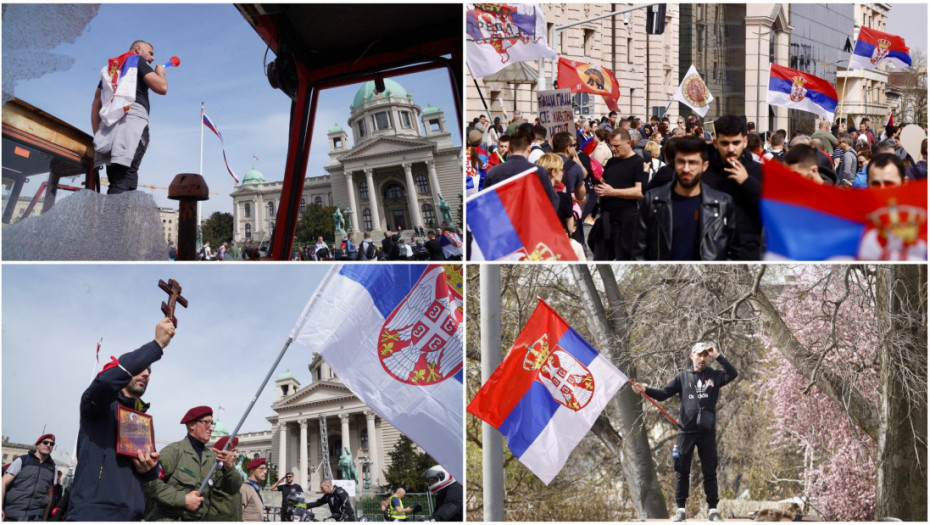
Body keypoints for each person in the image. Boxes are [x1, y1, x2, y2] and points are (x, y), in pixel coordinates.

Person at [66, 318, 175, 521]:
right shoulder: (97, 405)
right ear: (124, 370)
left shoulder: (142, 421)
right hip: (93, 513)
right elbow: (106, 381)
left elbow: (142, 476)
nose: (145, 373)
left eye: (150, 371)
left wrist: (149, 471)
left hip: (131, 515)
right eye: (141, 367)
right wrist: (156, 346)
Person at [630, 342, 739, 522]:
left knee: (710, 470)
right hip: (685, 432)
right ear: (692, 356)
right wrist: (645, 389)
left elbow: (733, 374)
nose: (702, 358)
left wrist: (717, 355)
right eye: (699, 355)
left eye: (705, 355)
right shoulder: (682, 377)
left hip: (707, 432)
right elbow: (664, 393)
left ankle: (713, 511)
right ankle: (680, 510)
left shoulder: (714, 375)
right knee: (682, 471)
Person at [633, 135, 736, 261]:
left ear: (705, 166)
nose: (686, 169)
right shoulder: (653, 201)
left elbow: (733, 251)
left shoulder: (722, 203)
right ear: (674, 163)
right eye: (681, 162)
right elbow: (639, 251)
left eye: (692, 163)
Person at [92, 40, 168, 194]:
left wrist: (98, 134)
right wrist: (160, 73)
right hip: (132, 124)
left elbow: (96, 103)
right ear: (138, 49)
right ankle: (112, 218)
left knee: (118, 179)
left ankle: (115, 216)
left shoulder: (111, 69)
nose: (152, 59)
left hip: (109, 129)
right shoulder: (136, 60)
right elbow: (162, 87)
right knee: (124, 180)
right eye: (151, 53)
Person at [143, 406, 242, 521]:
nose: (211, 428)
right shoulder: (173, 451)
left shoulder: (211, 458)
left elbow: (232, 489)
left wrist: (229, 467)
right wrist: (183, 499)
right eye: (207, 423)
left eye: (212, 424)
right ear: (191, 425)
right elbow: (150, 484)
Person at [701, 115, 763, 260]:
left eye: (736, 143)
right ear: (716, 143)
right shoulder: (704, 171)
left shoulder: (759, 171)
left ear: (745, 141)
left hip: (748, 251)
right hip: (710, 252)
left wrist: (747, 182)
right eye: (725, 143)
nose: (731, 149)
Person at [592, 129, 645, 260]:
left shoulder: (637, 162)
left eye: (617, 146)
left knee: (624, 258)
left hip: (625, 221)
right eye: (612, 146)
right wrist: (599, 187)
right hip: (606, 220)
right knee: (600, 259)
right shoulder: (611, 161)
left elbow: (639, 191)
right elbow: (604, 181)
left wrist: (613, 192)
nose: (614, 149)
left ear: (629, 143)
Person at [485, 129, 559, 213]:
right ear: (529, 150)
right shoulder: (539, 172)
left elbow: (486, 203)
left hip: (503, 221)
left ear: (508, 149)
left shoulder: (492, 173)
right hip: (530, 221)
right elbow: (553, 201)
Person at [2, 434, 57, 521]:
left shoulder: (53, 467)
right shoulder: (22, 460)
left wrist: (44, 519)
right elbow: (3, 483)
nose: (48, 445)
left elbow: (49, 495)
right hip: (13, 514)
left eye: (52, 444)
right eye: (45, 442)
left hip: (35, 517)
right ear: (38, 445)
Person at [206, 436, 242, 521]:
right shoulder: (214, 469)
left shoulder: (230, 468)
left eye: (236, 451)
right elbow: (235, 484)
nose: (235, 454)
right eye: (232, 451)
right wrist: (229, 466)